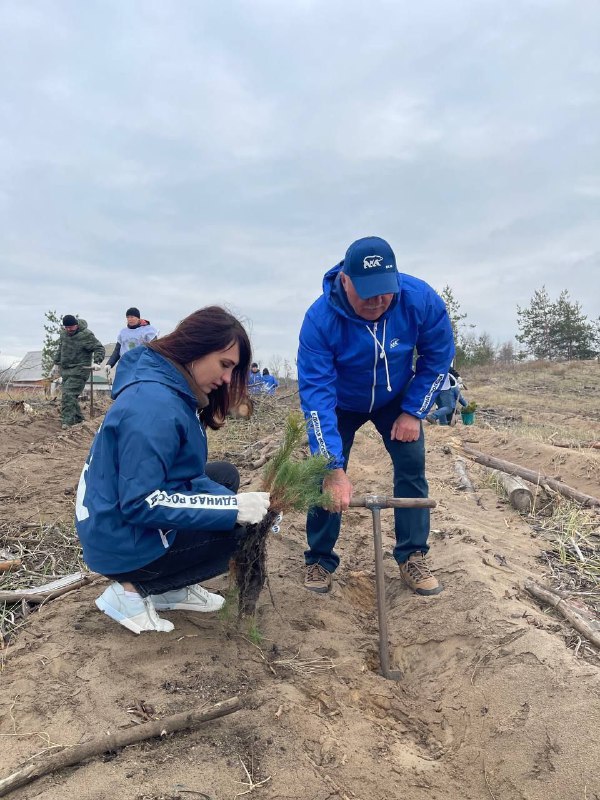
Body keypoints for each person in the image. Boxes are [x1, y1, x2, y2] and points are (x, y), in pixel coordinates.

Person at [75, 306, 271, 634]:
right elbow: (142, 502)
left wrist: (232, 502)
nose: (226, 379)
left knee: (223, 477)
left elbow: (186, 477)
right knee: (236, 536)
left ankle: (170, 590)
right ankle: (130, 592)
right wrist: (231, 508)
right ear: (196, 349)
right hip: (118, 540)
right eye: (225, 365)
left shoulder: (171, 391)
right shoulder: (154, 406)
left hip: (116, 520)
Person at [297, 236, 454, 596]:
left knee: (412, 466)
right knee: (323, 477)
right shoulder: (319, 320)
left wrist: (414, 411)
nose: (378, 301)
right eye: (367, 292)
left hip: (396, 398)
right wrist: (333, 468)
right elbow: (317, 398)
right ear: (345, 279)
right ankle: (319, 559)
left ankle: (412, 555)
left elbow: (438, 355)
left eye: (385, 291)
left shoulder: (419, 300)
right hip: (339, 401)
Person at [52, 315, 105, 428]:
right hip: (66, 370)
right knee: (70, 396)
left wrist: (97, 362)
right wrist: (56, 362)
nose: (69, 330)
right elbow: (61, 349)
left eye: (71, 327)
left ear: (76, 325)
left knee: (68, 394)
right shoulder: (64, 335)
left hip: (80, 370)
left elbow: (99, 348)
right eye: (67, 327)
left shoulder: (86, 335)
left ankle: (67, 422)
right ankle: (79, 419)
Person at [105, 307, 159, 380]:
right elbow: (117, 350)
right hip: (126, 364)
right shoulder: (123, 332)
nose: (130, 319)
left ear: (138, 318)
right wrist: (109, 364)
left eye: (132, 317)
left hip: (142, 364)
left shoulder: (148, 331)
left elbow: (154, 349)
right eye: (128, 317)